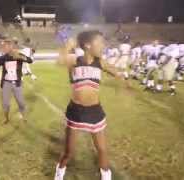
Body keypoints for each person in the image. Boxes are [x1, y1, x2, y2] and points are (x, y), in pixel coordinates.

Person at [54, 31, 131, 180]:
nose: (103, 45)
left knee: (102, 149)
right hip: (76, 111)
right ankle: (59, 172)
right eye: (100, 42)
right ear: (88, 45)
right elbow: (59, 61)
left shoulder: (100, 62)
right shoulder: (74, 60)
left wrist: (123, 79)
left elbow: (115, 72)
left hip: (95, 111)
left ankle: (106, 175)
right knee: (69, 151)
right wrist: (67, 46)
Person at [0, 40, 33, 124]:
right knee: (5, 103)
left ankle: (23, 116)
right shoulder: (3, 57)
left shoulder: (19, 55)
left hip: (16, 82)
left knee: (21, 102)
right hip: (6, 83)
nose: (5, 48)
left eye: (7, 46)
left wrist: (22, 57)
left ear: (11, 46)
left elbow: (30, 61)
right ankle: (6, 118)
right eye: (4, 47)